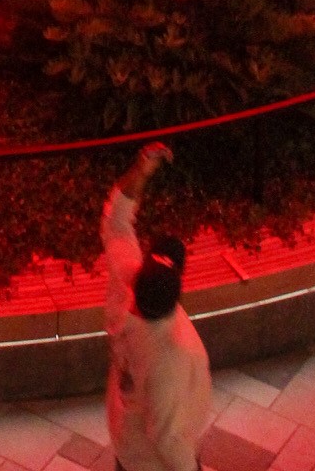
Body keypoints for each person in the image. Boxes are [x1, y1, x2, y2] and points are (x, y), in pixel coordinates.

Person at [102, 143, 211, 471]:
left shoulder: (126, 284)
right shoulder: (174, 353)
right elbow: (168, 437)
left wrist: (140, 172)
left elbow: (117, 223)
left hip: (126, 442)